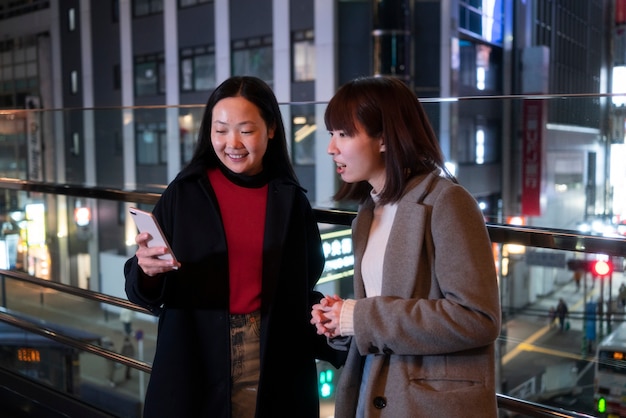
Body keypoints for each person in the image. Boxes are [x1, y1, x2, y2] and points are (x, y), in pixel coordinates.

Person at [124, 76, 343, 418]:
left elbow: (304, 285)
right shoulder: (185, 192)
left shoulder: (289, 199)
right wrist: (147, 270)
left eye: (245, 129)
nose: (232, 143)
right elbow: (141, 288)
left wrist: (338, 325)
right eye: (221, 129)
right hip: (196, 350)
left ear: (271, 128)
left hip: (272, 353)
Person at [310, 76, 501, 418]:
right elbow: (382, 318)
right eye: (331, 134)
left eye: (344, 134)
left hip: (427, 404)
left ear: (383, 138)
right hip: (373, 396)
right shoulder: (367, 215)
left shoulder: (447, 202)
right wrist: (342, 323)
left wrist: (359, 316)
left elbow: (478, 318)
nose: (331, 148)